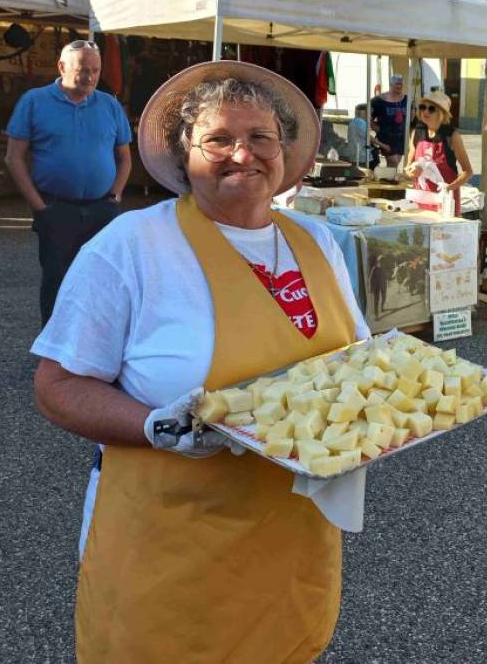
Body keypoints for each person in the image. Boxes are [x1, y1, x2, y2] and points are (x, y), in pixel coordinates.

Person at [31, 60, 369, 663]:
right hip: (169, 547)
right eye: (218, 139)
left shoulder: (315, 242)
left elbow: (359, 362)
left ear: (286, 151)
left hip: (292, 540)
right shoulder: (130, 246)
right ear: (183, 153)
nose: (243, 154)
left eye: (261, 137)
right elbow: (57, 384)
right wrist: (155, 425)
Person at [5, 40, 132, 325]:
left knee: (102, 281)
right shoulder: (34, 101)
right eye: (83, 70)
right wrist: (39, 207)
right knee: (56, 281)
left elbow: (125, 157)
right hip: (56, 208)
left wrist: (115, 197)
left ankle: (94, 347)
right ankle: (54, 355)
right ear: (61, 67)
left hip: (102, 210)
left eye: (96, 70)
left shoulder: (109, 105)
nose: (90, 77)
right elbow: (13, 158)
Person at [404, 90, 472, 215]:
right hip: (421, 197)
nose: (425, 111)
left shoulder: (452, 136)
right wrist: (411, 172)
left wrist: (449, 188)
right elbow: (408, 167)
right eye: (423, 107)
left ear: (441, 113)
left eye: (431, 109)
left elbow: (468, 172)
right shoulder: (416, 132)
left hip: (445, 200)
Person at [369, 73, 408, 167]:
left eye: (401, 84)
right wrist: (376, 128)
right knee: (393, 160)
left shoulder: (407, 99)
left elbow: (411, 119)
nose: (399, 86)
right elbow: (368, 117)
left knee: (396, 161)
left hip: (401, 137)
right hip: (386, 137)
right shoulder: (378, 100)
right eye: (397, 84)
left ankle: (390, 179)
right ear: (391, 84)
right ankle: (391, 178)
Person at [347, 103, 377, 168]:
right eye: (369, 113)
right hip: (362, 157)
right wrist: (383, 145)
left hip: (356, 156)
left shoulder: (353, 121)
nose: (370, 116)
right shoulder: (360, 122)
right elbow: (368, 137)